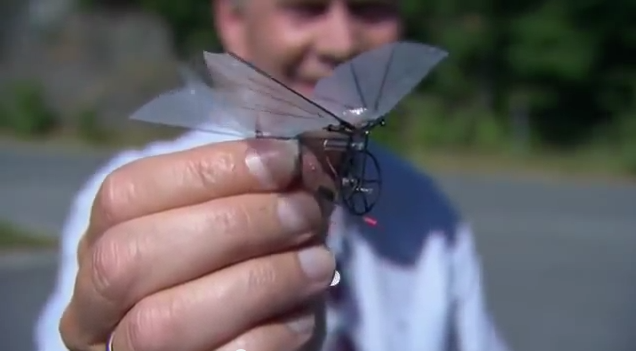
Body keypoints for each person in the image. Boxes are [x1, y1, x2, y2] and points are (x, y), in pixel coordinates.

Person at [35, 0, 511, 350]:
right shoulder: (134, 204)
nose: (340, 43)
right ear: (234, 22)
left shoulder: (430, 215)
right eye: (306, 7)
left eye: (371, 7)